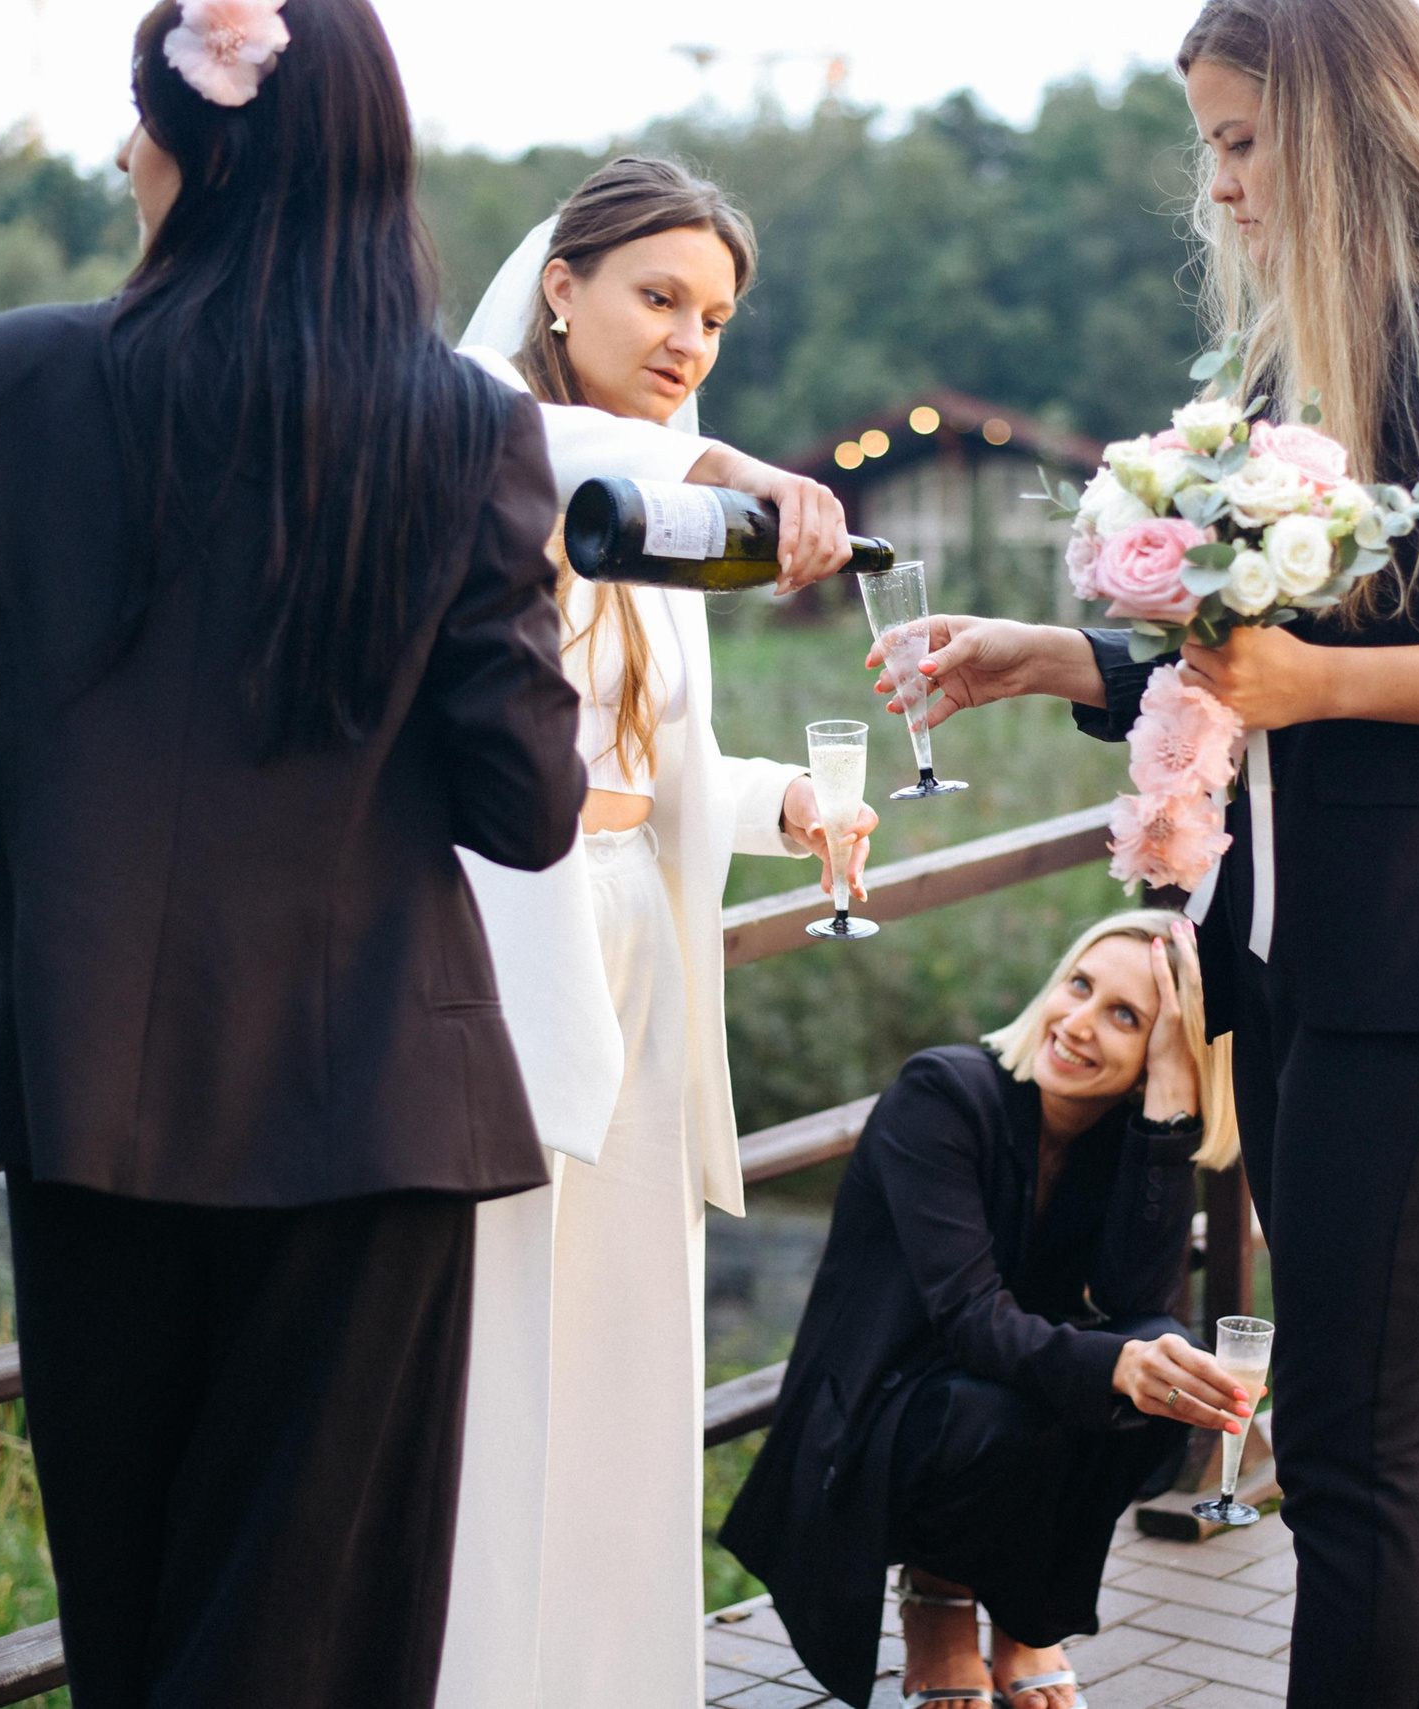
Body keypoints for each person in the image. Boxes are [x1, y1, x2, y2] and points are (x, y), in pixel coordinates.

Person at [869, 2, 1419, 1701]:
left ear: (1349, 123)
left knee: (1352, 1448)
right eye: (1209, 147)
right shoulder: (1296, 358)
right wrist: (1053, 653)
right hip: (1290, 961)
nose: (1218, 187)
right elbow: (1244, 677)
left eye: (1242, 142)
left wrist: (1325, 678)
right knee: (1406, 1417)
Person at [0, 2, 584, 1705]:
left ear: (193, 141)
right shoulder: (458, 427)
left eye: (133, 125)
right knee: (324, 1626)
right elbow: (527, 804)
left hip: (92, 1093)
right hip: (372, 1109)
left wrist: (90, 841)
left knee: (143, 1608)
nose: (121, 157)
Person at [430, 157, 875, 1709]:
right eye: (660, 297)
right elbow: (530, 433)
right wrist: (744, 465)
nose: (692, 336)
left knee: (632, 1360)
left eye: (718, 316)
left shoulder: (666, 493)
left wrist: (786, 811)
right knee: (505, 1352)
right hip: (505, 946)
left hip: (644, 944)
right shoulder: (475, 440)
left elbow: (654, 751)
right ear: (563, 285)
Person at [724, 913, 1249, 1709]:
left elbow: (1140, 1307)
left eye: (1126, 1016)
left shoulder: (1120, 1133)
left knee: (1160, 1359)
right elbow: (969, 1317)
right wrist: (1114, 1362)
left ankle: (1026, 1616)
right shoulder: (940, 1094)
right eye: (1080, 985)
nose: (1076, 1022)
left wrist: (1169, 1106)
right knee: (1040, 1394)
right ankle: (940, 1594)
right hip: (884, 1407)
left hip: (1003, 1392)